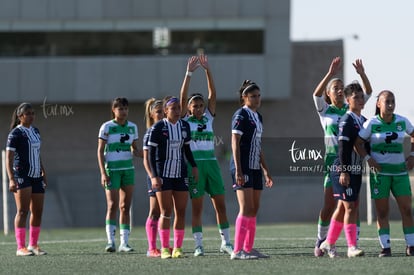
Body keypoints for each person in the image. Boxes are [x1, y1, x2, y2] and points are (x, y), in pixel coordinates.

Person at [313, 57, 372, 256]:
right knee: (330, 205)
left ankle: (346, 242)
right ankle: (322, 240)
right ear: (328, 94)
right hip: (334, 161)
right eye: (335, 88)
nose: (339, 89)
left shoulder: (351, 110)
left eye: (341, 87)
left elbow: (368, 93)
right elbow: (315, 95)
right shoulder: (326, 111)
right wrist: (330, 74)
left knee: (350, 203)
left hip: (351, 161)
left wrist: (361, 74)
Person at [179, 55, 233, 257]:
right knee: (198, 207)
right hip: (194, 166)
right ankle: (198, 245)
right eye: (195, 105)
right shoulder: (185, 120)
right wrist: (189, 73)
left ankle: (225, 242)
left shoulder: (209, 116)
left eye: (201, 105)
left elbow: (213, 93)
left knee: (220, 204)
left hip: (211, 164)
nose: (199, 108)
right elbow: (182, 97)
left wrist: (208, 70)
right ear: (189, 108)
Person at [355, 90, 414, 257]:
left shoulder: (402, 121)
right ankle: (385, 248)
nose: (390, 105)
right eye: (387, 101)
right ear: (378, 104)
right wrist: (368, 159)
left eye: (392, 101)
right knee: (382, 212)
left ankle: (411, 246)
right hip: (380, 175)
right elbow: (357, 143)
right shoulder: (371, 123)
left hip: (400, 174)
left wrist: (412, 156)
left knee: (407, 210)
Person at [147, 96, 198, 259]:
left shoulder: (185, 126)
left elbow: (187, 150)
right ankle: (164, 248)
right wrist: (154, 176)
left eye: (178, 108)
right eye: (173, 108)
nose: (177, 111)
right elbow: (151, 155)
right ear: (166, 111)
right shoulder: (158, 128)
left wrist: (194, 166)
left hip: (180, 173)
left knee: (181, 211)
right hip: (163, 175)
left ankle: (177, 247)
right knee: (165, 211)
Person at [320, 82, 367, 258]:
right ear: (348, 100)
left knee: (343, 207)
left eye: (362, 97)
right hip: (343, 168)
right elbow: (342, 147)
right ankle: (351, 246)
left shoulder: (361, 120)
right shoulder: (347, 120)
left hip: (355, 169)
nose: (361, 100)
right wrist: (344, 171)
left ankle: (328, 242)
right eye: (356, 97)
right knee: (350, 207)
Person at [230, 80, 273, 260]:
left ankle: (248, 248)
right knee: (246, 207)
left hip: (255, 167)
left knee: (254, 209)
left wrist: (265, 170)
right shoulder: (241, 114)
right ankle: (237, 250)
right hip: (244, 166)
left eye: (258, 95)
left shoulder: (259, 117)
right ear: (244, 98)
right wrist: (238, 169)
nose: (257, 99)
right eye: (253, 96)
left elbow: (258, 144)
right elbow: (235, 141)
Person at [97, 97, 140, 253]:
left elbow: (134, 148)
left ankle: (124, 242)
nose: (123, 111)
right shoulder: (107, 127)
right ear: (114, 110)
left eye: (126, 108)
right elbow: (100, 151)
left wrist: (142, 153)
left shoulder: (133, 127)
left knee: (125, 206)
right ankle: (110, 241)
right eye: (120, 108)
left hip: (128, 169)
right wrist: (103, 172)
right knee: (113, 205)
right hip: (112, 170)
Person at [6, 103, 48, 256]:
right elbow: (9, 158)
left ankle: (33, 245)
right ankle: (20, 247)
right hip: (22, 175)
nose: (31, 116)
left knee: (37, 211)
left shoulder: (35, 131)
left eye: (33, 113)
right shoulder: (15, 134)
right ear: (20, 116)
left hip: (37, 176)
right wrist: (11, 179)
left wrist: (43, 171)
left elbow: (37, 153)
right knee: (23, 211)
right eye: (28, 113)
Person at [142, 98, 164, 257]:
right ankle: (151, 248)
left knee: (166, 211)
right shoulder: (150, 132)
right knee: (155, 211)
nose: (162, 115)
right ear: (151, 114)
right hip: (156, 176)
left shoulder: (168, 129)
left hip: (168, 174)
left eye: (164, 111)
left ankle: (165, 246)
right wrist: (153, 176)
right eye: (158, 112)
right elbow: (146, 159)